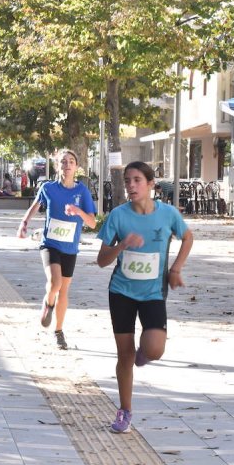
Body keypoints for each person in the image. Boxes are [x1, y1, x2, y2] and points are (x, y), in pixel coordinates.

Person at [96, 161, 193, 434]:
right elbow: (102, 261)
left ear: (151, 184)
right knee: (123, 355)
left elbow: (187, 237)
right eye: (127, 181)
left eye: (137, 180)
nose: (131, 186)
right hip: (121, 292)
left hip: (152, 292)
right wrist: (122, 245)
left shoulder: (167, 214)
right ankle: (125, 411)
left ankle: (143, 354)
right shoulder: (118, 216)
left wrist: (175, 268)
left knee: (154, 350)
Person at [17, 150, 97, 349]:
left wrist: (78, 211)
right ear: (57, 166)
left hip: (70, 247)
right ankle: (48, 302)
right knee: (55, 283)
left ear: (77, 167)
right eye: (63, 162)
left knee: (64, 290)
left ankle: (59, 331)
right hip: (50, 244)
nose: (67, 165)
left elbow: (93, 223)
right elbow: (35, 206)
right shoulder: (48, 187)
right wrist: (24, 223)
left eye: (71, 161)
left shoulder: (82, 192)